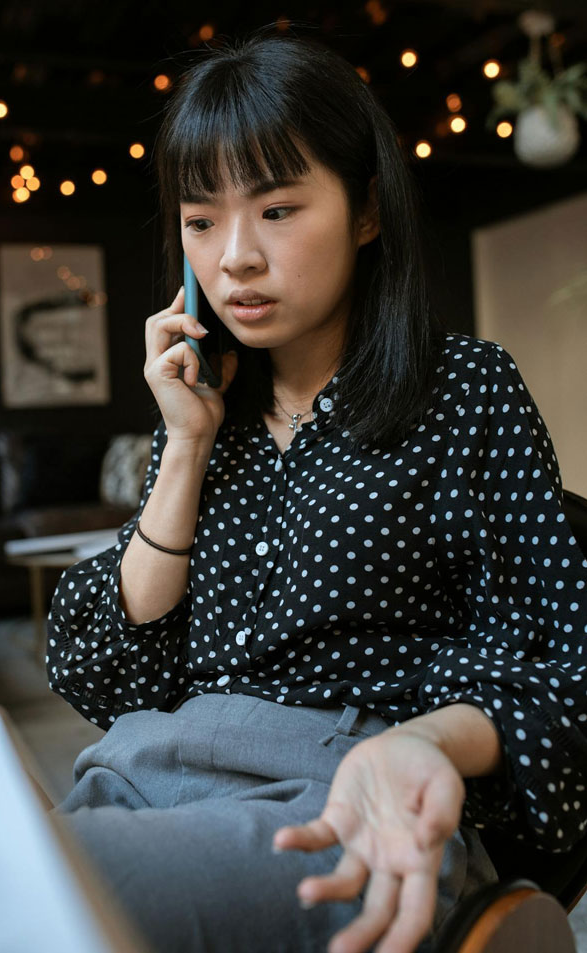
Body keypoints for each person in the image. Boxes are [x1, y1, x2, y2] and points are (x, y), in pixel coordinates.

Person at [45, 25, 587, 953]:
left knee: (38, 904)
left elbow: (567, 671)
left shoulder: (464, 390)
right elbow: (105, 672)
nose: (234, 258)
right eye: (201, 219)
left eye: (278, 210)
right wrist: (183, 447)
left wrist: (424, 743)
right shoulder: (205, 413)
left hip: (344, 785)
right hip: (146, 767)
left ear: (366, 211)